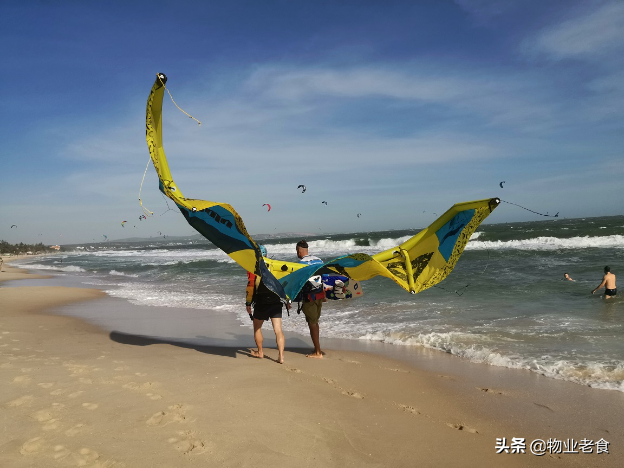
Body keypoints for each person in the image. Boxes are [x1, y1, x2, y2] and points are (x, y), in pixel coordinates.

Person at [245, 245, 287, 363]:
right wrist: (288, 300)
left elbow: (251, 287)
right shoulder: (275, 267)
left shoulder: (254, 268)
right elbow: (284, 285)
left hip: (261, 302)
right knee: (278, 330)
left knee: (257, 328)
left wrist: (248, 303)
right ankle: (281, 356)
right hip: (275, 301)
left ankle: (260, 352)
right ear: (266, 255)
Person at [296, 239, 326, 359]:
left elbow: (299, 283)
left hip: (310, 298)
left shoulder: (301, 264)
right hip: (319, 296)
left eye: (297, 251)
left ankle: (318, 352)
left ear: (299, 251)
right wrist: (324, 294)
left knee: (312, 323)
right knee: (315, 321)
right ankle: (316, 347)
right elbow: (323, 276)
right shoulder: (319, 260)